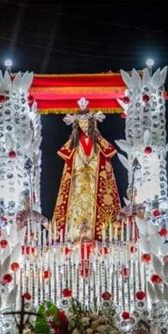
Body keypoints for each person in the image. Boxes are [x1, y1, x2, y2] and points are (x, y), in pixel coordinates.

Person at [53, 98, 121, 242]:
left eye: (86, 123)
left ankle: (98, 235)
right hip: (78, 183)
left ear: (92, 123)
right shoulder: (74, 143)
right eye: (81, 123)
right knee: (76, 207)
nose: (84, 126)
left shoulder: (99, 143)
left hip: (94, 182)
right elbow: (71, 161)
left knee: (94, 206)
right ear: (77, 125)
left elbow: (105, 157)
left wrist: (90, 167)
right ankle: (74, 234)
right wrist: (80, 168)